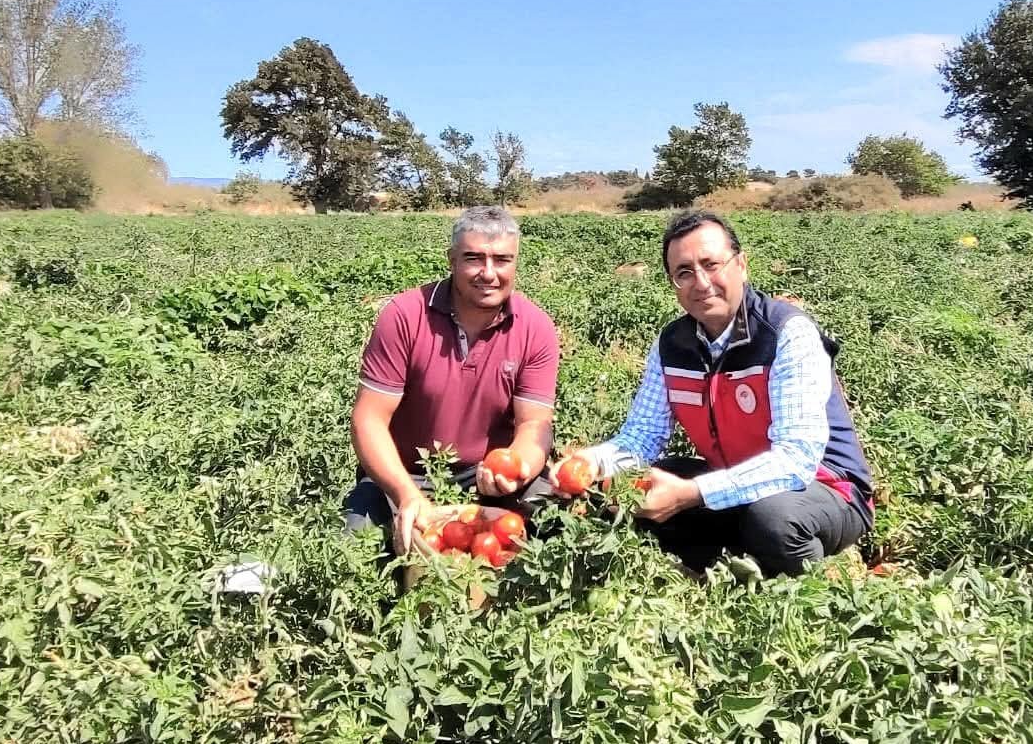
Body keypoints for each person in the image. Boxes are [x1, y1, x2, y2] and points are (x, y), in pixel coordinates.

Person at [553, 210, 874, 577]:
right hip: (734, 477)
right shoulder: (672, 345)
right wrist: (592, 463)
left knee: (774, 520)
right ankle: (732, 559)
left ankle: (810, 579)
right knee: (634, 487)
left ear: (741, 265)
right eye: (684, 273)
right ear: (672, 282)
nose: (701, 283)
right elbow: (642, 437)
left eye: (711, 264)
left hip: (824, 488)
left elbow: (796, 459)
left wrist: (693, 493)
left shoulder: (786, 333)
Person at [343, 206, 560, 553]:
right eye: (474, 258)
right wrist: (406, 493)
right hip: (405, 472)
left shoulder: (535, 328)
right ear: (452, 260)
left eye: (502, 260)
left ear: (515, 263)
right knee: (354, 544)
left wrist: (514, 468)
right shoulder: (405, 315)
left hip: (484, 474)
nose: (488, 273)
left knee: (557, 520)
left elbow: (535, 423)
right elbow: (368, 419)